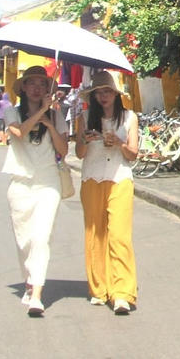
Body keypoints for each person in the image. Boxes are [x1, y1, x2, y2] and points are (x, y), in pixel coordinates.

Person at [1, 66, 69, 316]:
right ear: (25, 87)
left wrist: (50, 124)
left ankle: (37, 294)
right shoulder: (11, 112)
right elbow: (18, 134)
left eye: (43, 84)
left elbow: (63, 150)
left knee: (41, 237)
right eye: (33, 83)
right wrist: (41, 111)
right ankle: (29, 281)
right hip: (20, 181)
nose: (38, 88)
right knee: (24, 240)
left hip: (48, 181)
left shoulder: (56, 116)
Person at [74, 71, 139, 315]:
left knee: (120, 235)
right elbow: (79, 153)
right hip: (92, 177)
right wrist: (86, 139)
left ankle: (122, 293)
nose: (104, 96)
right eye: (99, 92)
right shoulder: (84, 117)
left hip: (119, 178)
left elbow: (133, 154)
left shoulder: (129, 118)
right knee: (95, 234)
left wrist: (119, 143)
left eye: (108, 91)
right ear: (93, 95)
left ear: (116, 94)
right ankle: (99, 288)